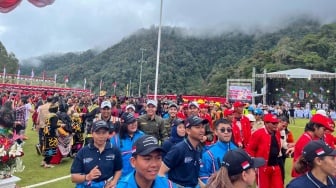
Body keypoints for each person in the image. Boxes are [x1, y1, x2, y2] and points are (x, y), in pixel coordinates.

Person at [159, 115, 208, 187]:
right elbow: (160, 173)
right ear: (188, 131)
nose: (202, 130)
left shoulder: (198, 149)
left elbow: (193, 176)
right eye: (197, 127)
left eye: (202, 127)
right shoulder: (178, 149)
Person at [71, 120, 122, 188]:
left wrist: (114, 181)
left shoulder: (114, 150)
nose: (101, 136)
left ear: (108, 134)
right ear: (92, 133)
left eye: (104, 133)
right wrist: (87, 177)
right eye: (98, 133)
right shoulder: (83, 152)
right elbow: (74, 177)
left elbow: (118, 170)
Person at [246, 114, 283, 188]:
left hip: (275, 166)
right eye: (273, 123)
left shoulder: (277, 133)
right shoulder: (258, 133)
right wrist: (254, 165)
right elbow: (250, 149)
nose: (276, 125)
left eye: (277, 123)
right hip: (262, 167)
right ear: (266, 123)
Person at [291, 113, 333, 177]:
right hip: (304, 178)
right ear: (315, 127)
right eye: (323, 129)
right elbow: (316, 163)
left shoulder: (312, 138)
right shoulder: (305, 141)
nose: (325, 132)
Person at [199, 118, 238, 184]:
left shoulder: (236, 150)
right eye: (222, 130)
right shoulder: (208, 154)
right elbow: (203, 176)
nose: (226, 132)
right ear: (216, 132)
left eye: (229, 130)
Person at [110, 112, 145, 178]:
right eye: (130, 122)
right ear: (124, 125)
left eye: (134, 121)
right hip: (122, 179)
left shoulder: (142, 136)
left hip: (139, 178)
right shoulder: (115, 140)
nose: (133, 124)